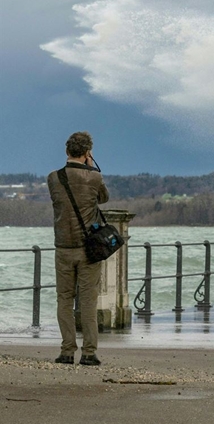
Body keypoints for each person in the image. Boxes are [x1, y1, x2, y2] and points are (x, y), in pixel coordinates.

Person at [47, 131, 109, 366]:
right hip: (88, 249)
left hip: (63, 247)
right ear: (87, 153)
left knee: (64, 299)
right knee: (88, 301)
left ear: (66, 151)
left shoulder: (53, 178)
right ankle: (89, 353)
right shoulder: (94, 178)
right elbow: (103, 199)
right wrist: (93, 168)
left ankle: (66, 350)